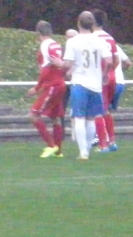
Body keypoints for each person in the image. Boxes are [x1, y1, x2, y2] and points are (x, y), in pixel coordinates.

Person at [59, 11, 113, 160]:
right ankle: (87, 149)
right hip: (95, 85)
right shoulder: (100, 41)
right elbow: (109, 61)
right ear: (93, 24)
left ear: (78, 23)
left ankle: (83, 152)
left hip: (80, 83)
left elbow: (67, 64)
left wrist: (59, 63)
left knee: (79, 117)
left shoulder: (73, 41)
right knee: (91, 119)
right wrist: (104, 74)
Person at [27, 21, 66, 158]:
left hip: (52, 86)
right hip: (60, 84)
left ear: (38, 33)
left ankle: (51, 145)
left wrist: (36, 88)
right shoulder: (56, 44)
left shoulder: (45, 45)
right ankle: (58, 152)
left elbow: (46, 69)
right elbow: (60, 65)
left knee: (33, 115)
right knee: (56, 118)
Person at [91, 9, 120, 152]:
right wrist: (110, 72)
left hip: (99, 78)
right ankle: (112, 142)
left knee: (97, 110)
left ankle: (103, 144)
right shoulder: (110, 38)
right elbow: (116, 60)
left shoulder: (91, 38)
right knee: (106, 109)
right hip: (111, 77)